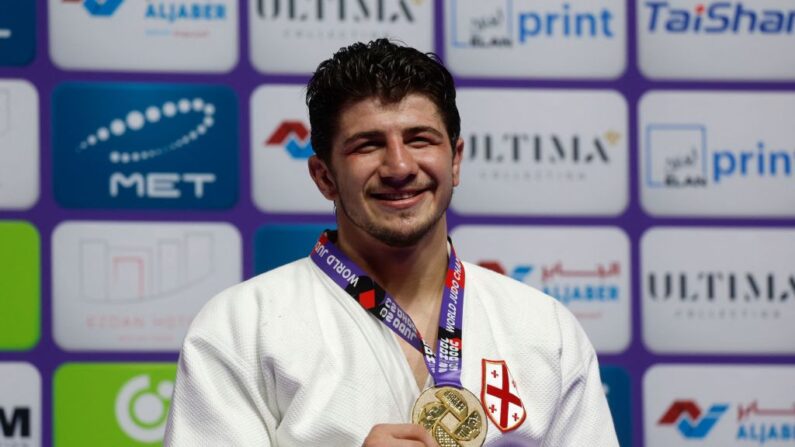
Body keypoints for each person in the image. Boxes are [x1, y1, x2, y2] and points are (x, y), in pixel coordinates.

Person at [164, 39, 619, 447]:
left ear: (455, 160)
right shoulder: (242, 327)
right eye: (367, 145)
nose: (399, 166)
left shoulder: (542, 329)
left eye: (420, 139)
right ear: (324, 176)